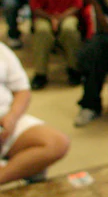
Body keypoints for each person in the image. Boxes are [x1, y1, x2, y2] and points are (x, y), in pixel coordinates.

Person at [0, 42, 69, 185]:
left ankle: (5, 173)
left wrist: (12, 117)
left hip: (5, 117)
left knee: (56, 143)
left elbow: (22, 90)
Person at [29, 0, 83, 89]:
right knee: (42, 31)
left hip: (67, 15)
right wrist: (51, 18)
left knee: (69, 29)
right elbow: (35, 8)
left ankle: (74, 69)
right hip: (45, 16)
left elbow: (77, 5)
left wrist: (60, 18)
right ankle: (40, 74)